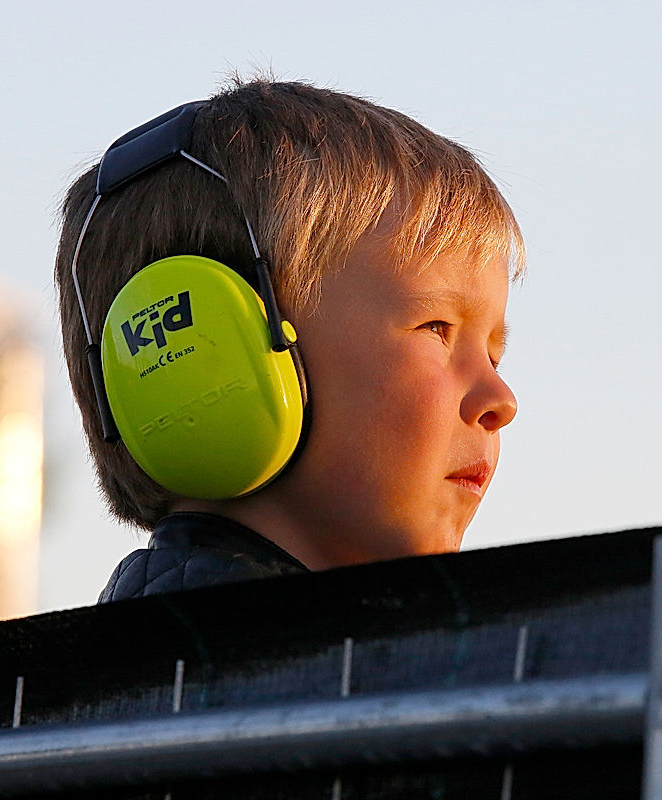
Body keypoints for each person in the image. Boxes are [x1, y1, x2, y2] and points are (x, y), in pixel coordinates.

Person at [54, 79, 523, 602]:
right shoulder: (233, 674)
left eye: (493, 354)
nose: (501, 401)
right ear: (220, 350)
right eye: (436, 328)